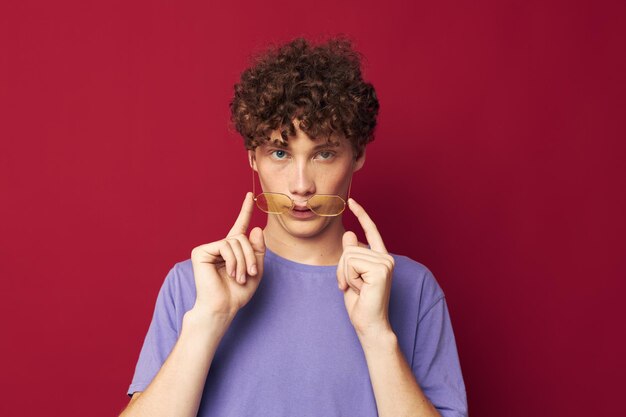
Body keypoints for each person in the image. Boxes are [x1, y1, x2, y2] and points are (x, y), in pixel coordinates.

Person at [120, 37, 468, 417]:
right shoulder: (195, 284)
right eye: (280, 153)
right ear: (254, 158)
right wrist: (208, 320)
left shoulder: (412, 289)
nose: (302, 185)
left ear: (358, 156)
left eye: (324, 153)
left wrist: (377, 335)